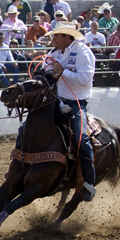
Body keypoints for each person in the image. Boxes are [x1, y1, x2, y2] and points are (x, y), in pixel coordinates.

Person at [43, 21, 97, 201]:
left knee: (81, 139)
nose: (53, 38)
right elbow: (46, 72)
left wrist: (62, 71)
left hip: (76, 104)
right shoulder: (53, 53)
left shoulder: (83, 52)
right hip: (56, 101)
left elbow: (85, 80)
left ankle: (89, 181)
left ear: (67, 36)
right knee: (28, 127)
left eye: (56, 35)